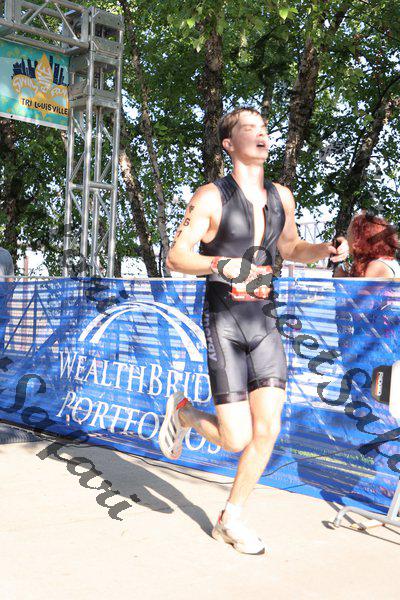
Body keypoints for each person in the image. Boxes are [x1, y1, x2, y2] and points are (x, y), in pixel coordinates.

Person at [159, 107, 348, 555]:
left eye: (264, 128)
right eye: (250, 128)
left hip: (264, 321)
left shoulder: (282, 196)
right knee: (236, 438)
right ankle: (184, 414)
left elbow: (291, 247)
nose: (261, 134)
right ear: (229, 144)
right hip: (224, 323)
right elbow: (176, 256)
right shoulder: (211, 197)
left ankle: (231, 517)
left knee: (267, 429)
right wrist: (220, 264)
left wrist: (325, 249)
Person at [334, 211, 400, 278]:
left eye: (348, 235)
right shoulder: (382, 261)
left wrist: (341, 279)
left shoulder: (377, 266)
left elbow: (362, 285)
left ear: (359, 238)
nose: (346, 239)